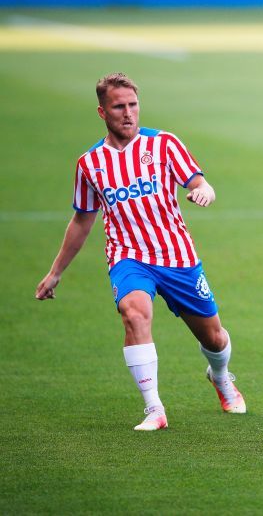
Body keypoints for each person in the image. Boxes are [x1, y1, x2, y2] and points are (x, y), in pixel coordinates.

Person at [35, 73, 245, 431]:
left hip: (177, 257)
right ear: (103, 112)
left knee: (213, 336)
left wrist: (205, 192)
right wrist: (55, 272)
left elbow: (199, 182)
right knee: (134, 313)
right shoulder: (90, 164)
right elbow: (82, 220)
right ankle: (154, 409)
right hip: (128, 257)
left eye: (133, 105)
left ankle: (221, 377)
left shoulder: (163, 144)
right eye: (119, 107)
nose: (129, 113)